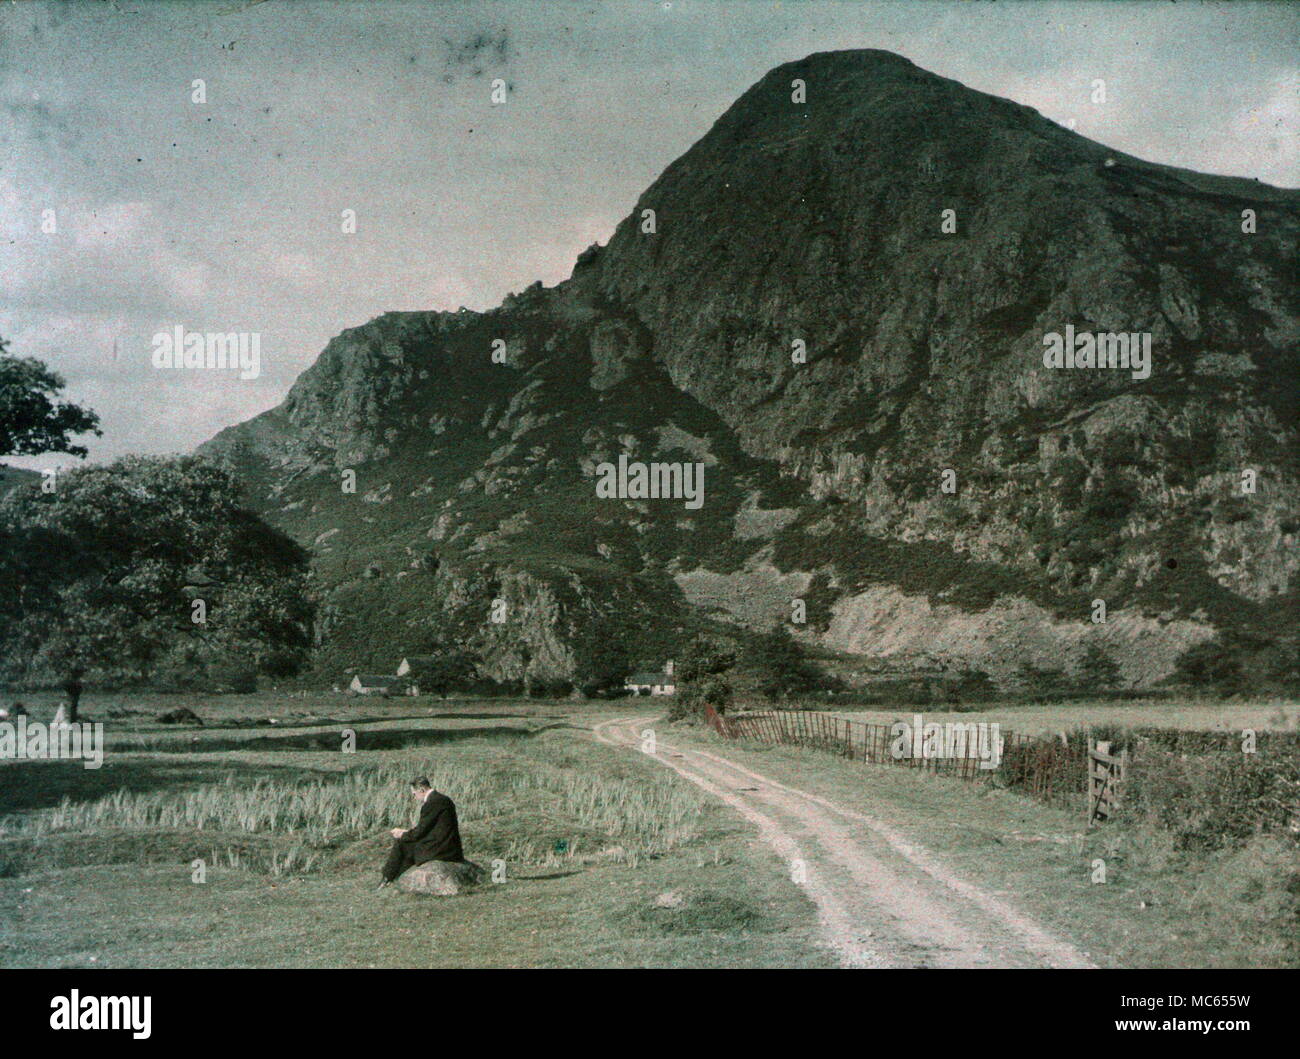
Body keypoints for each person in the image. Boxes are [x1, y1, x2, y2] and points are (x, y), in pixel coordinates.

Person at [378, 777, 465, 889]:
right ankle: (394, 879)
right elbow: (429, 829)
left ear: (422, 790)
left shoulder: (431, 803)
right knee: (408, 845)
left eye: (414, 794)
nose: (414, 797)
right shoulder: (443, 799)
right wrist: (407, 832)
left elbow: (419, 832)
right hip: (449, 846)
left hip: (442, 849)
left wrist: (402, 834)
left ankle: (387, 879)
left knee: (401, 843)